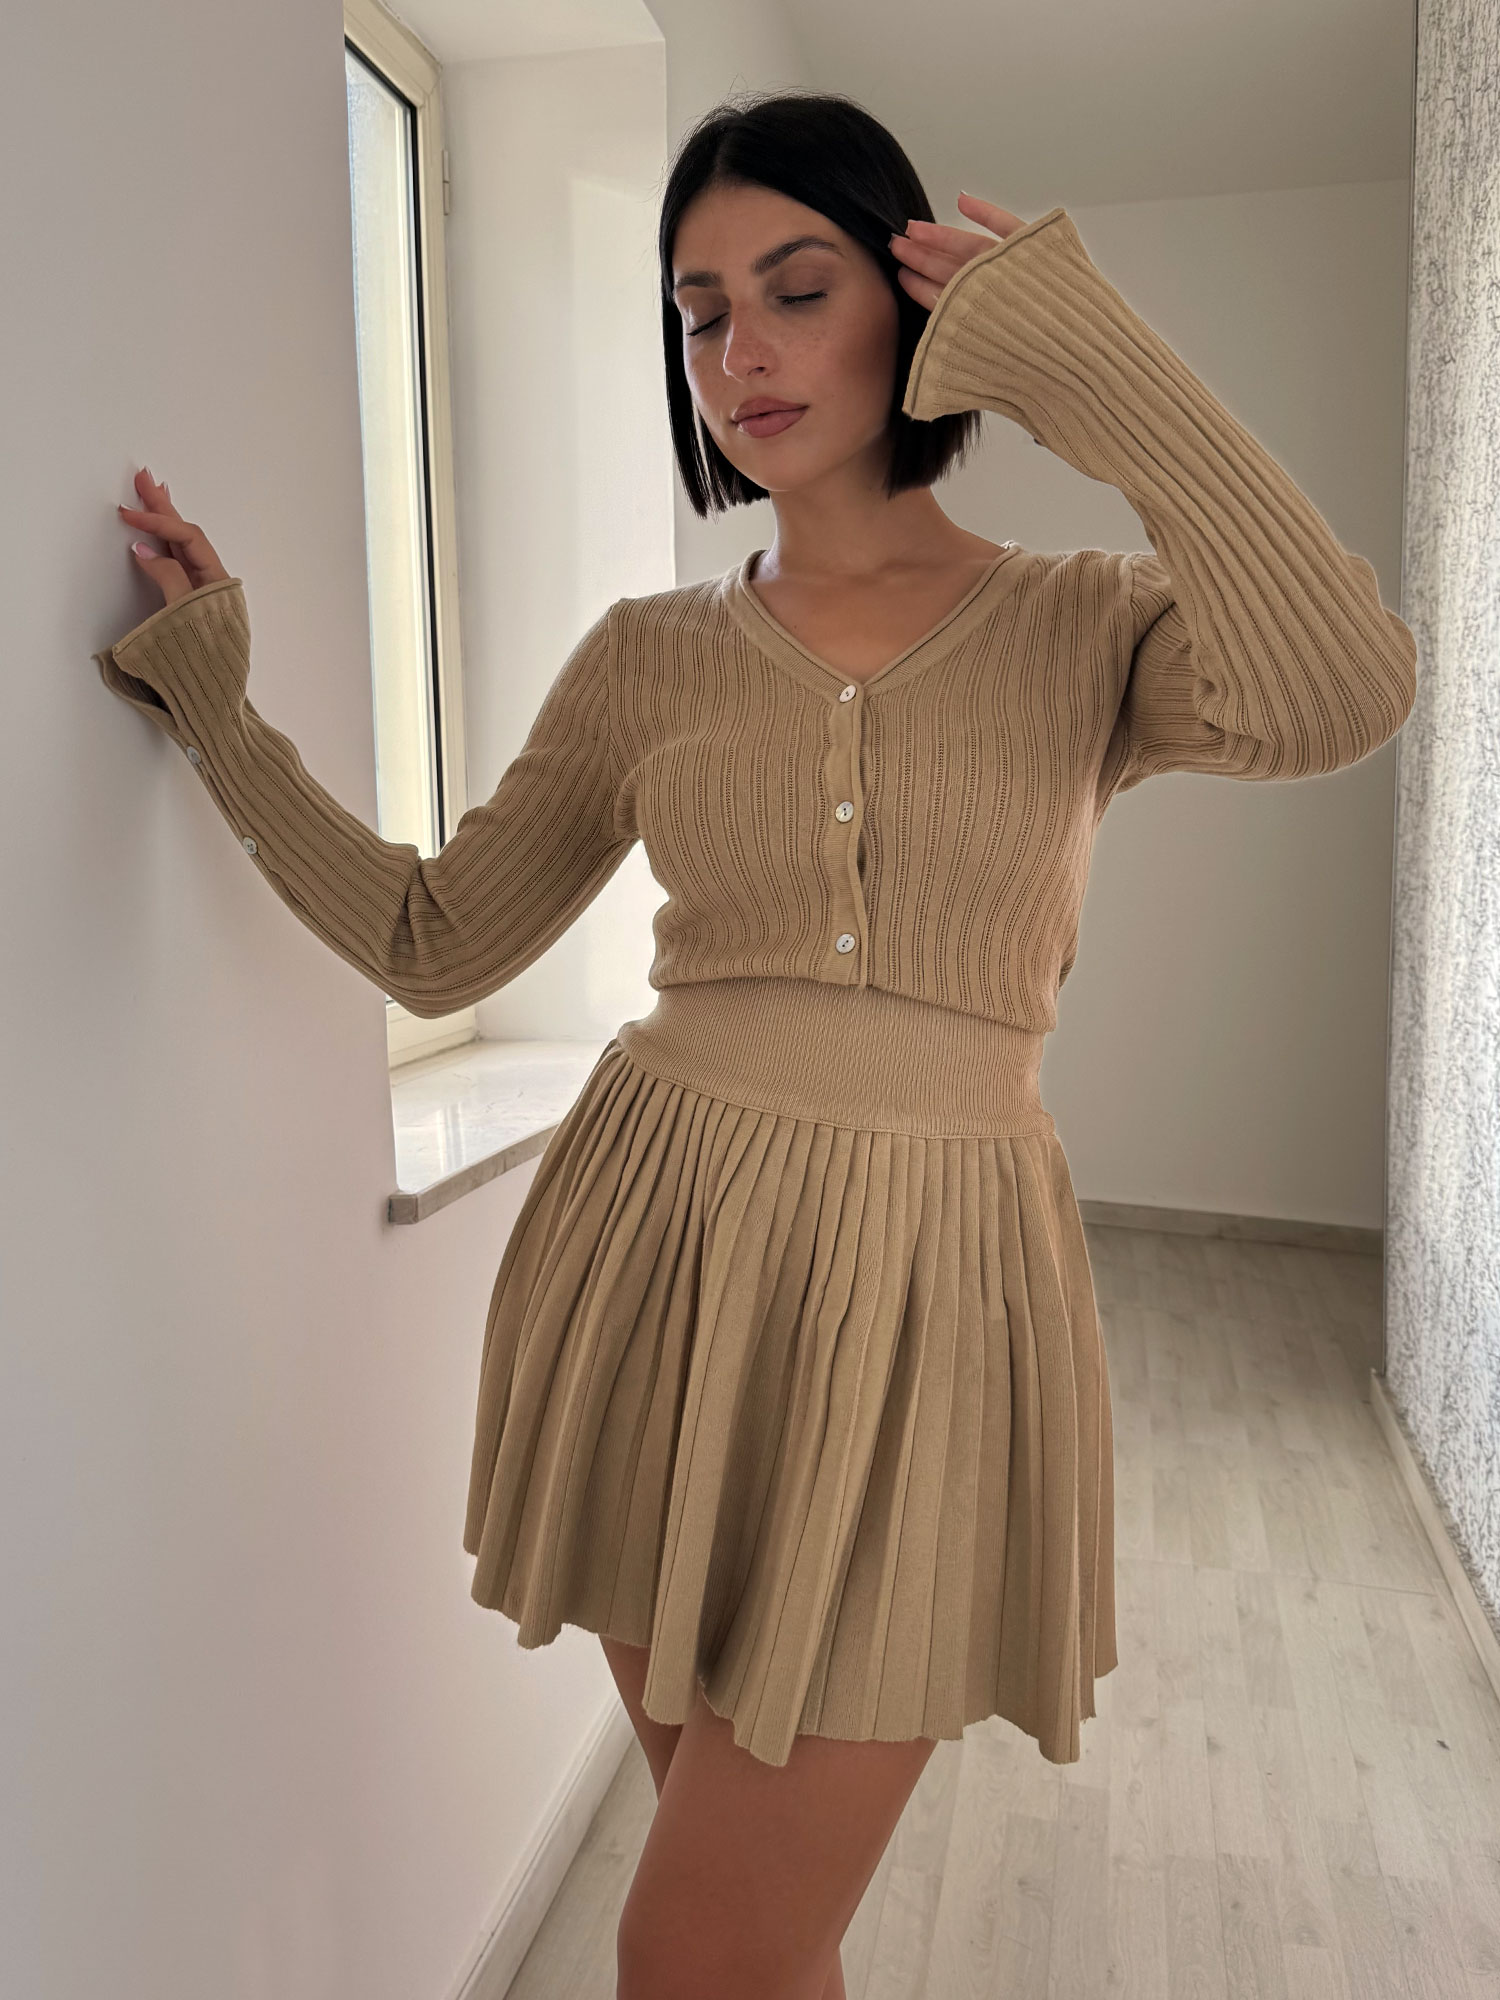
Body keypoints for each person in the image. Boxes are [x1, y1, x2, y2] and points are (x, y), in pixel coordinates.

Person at [95, 88, 1418, 2000]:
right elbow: (435, 936)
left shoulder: (1092, 628)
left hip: (926, 1292)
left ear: (915, 309)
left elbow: (1344, 688)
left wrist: (1103, 380)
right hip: (657, 1267)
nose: (741, 353)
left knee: (697, 1945)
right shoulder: (649, 653)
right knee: (756, 1950)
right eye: (701, 312)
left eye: (798, 290)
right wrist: (224, 713)